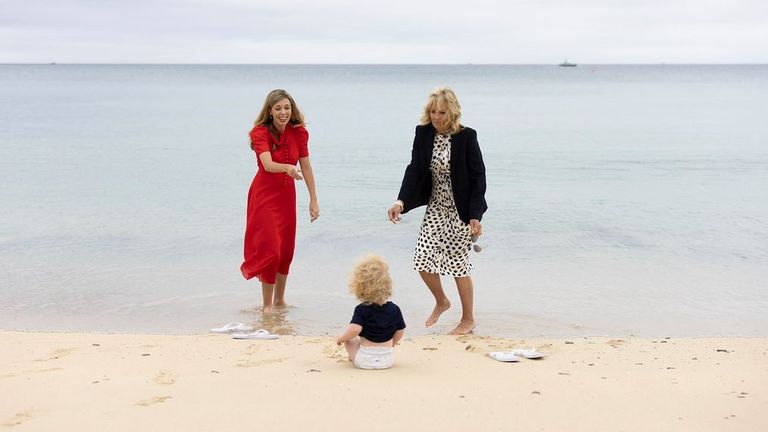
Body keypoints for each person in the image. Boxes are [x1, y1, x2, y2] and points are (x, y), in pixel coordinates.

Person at [387, 86, 487, 335]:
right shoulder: (423, 134)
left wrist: (475, 215)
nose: (436, 117)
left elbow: (479, 177)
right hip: (435, 208)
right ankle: (441, 301)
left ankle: (468, 319)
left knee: (457, 264)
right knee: (422, 259)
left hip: (460, 210)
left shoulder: (467, 137)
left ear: (451, 112)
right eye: (433, 111)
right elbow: (414, 169)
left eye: (442, 112)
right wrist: (401, 202)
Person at [241, 89, 319, 313]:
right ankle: (267, 306)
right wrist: (286, 168)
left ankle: (280, 301)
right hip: (264, 196)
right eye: (278, 108)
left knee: (286, 250)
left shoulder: (299, 133)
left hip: (287, 197)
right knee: (271, 250)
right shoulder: (259, 133)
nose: (283, 112)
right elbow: (266, 164)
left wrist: (313, 199)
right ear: (270, 111)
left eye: (287, 107)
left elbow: (306, 166)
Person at [336, 254, 406, 370]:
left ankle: (352, 356)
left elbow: (354, 329)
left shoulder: (361, 309)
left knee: (350, 340)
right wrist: (393, 342)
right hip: (388, 360)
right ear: (387, 285)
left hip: (365, 360)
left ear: (359, 286)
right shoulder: (395, 309)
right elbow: (400, 330)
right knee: (359, 340)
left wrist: (341, 338)